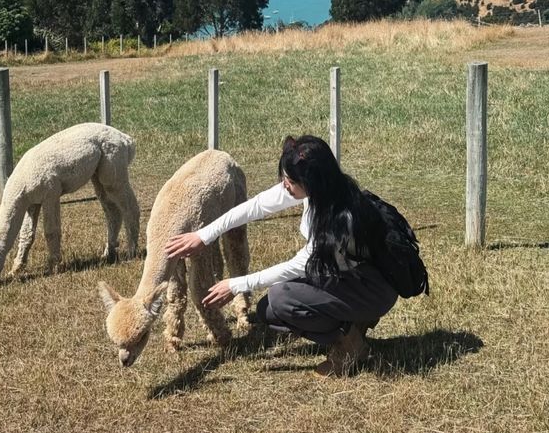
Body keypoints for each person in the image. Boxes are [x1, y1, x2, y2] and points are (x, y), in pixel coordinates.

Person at [165, 134, 398, 376]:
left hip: (371, 288)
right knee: (269, 310)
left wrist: (236, 285)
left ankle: (349, 344)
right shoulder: (318, 191)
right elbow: (257, 205)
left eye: (289, 180)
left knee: (281, 299)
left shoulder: (340, 218)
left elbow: (298, 266)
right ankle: (353, 323)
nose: (284, 184)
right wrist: (204, 235)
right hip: (343, 276)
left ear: (311, 180)